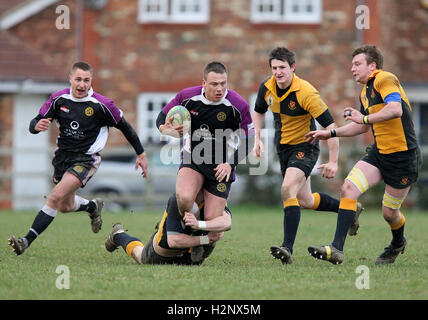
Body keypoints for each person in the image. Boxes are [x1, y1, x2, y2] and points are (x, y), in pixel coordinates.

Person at [8, 61, 148, 256]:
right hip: (62, 158)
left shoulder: (103, 105)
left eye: (86, 80)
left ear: (91, 81)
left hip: (86, 159)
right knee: (65, 206)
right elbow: (35, 121)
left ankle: (26, 240)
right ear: (70, 79)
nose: (82, 85)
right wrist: (35, 126)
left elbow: (126, 127)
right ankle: (92, 206)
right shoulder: (58, 99)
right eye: (78, 80)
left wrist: (141, 154)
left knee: (55, 197)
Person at [305, 45, 422, 265]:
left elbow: (395, 109)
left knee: (389, 213)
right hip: (380, 153)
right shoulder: (365, 91)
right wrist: (329, 133)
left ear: (373, 66)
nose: (352, 69)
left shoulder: (384, 79)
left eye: (357, 64)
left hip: (404, 158)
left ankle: (397, 243)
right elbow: (361, 127)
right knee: (349, 188)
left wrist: (364, 118)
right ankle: (336, 249)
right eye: (352, 64)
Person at [253, 47, 363, 265]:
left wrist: (332, 161)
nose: (278, 72)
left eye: (282, 67)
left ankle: (287, 248)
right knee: (305, 200)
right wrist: (256, 138)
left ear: (293, 67)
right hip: (283, 148)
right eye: (274, 68)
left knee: (287, 189)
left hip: (305, 146)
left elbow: (330, 127)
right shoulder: (266, 87)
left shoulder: (306, 92)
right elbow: (258, 111)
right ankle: (349, 209)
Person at [156, 61, 254, 223]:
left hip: (221, 166)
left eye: (223, 84)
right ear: (204, 83)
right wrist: (164, 129)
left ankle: (213, 219)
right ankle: (189, 225)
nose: (220, 89)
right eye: (214, 84)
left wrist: (230, 164)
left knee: (211, 218)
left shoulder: (238, 105)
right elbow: (161, 117)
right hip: (192, 159)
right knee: (185, 199)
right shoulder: (187, 97)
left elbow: (249, 140)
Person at [104, 193, 231, 265]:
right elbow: (174, 242)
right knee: (140, 255)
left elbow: (226, 223)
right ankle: (118, 235)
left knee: (218, 226)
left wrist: (200, 225)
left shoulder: (216, 199)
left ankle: (166, 225)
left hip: (190, 255)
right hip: (164, 252)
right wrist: (205, 239)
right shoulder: (180, 199)